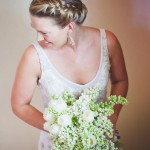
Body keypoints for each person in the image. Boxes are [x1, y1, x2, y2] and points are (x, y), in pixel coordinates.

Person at [11, 0, 128, 149]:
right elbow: (19, 105)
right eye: (36, 30)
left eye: (45, 33)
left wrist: (112, 115)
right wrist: (62, 129)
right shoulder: (33, 56)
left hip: (101, 141)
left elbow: (120, 80)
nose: (38, 39)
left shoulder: (108, 41)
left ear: (70, 27)